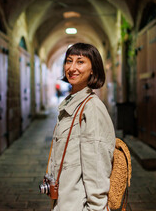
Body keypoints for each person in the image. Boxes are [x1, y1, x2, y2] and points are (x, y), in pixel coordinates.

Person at [48, 43, 116, 210]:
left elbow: (97, 167)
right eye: (69, 61)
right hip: (65, 200)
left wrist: (96, 207)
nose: (72, 68)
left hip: (78, 205)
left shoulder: (91, 107)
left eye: (80, 62)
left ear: (93, 69)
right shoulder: (72, 103)